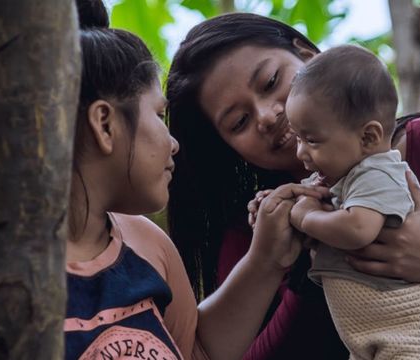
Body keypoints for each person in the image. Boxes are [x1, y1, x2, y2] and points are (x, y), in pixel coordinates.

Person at [166, 12, 420, 360]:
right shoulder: (260, 228)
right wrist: (287, 266)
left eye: (271, 82)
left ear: (308, 57)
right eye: (238, 122)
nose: (268, 116)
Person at [66, 3, 328, 359]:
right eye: (158, 115)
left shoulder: (146, 243)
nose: (172, 143)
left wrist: (266, 258)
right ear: (105, 124)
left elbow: (194, 350)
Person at [279, 44, 420, 359]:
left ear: (368, 137)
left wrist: (306, 218)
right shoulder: (344, 176)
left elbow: (358, 228)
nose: (300, 152)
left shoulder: (379, 172)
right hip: (373, 335)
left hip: (413, 335)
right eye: (298, 138)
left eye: (312, 140)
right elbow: (306, 204)